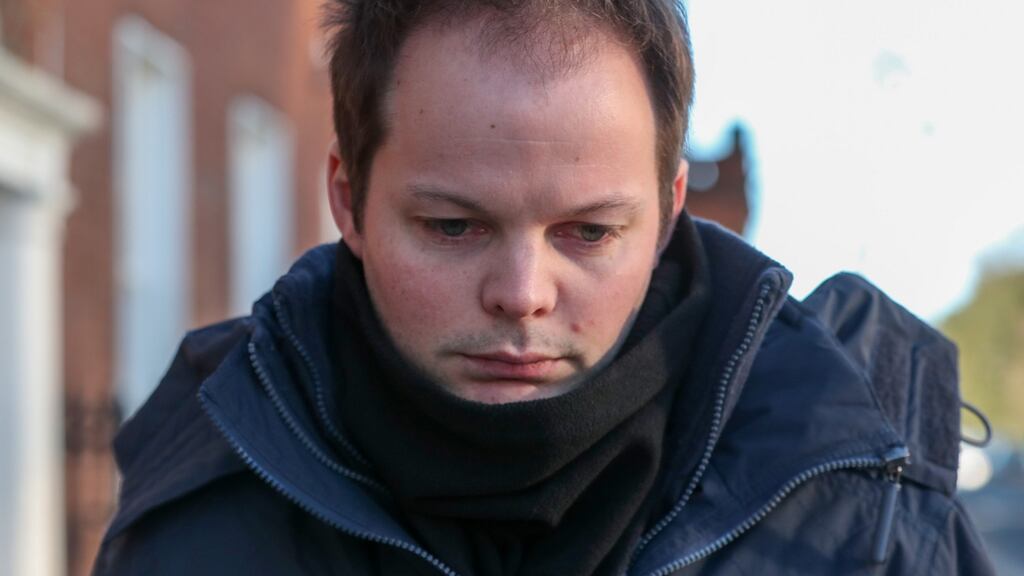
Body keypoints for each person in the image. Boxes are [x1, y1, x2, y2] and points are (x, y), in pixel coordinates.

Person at [93, 1, 995, 574]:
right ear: (349, 202)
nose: (522, 294)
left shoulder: (867, 516)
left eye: (589, 233)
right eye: (453, 227)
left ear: (672, 210)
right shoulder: (200, 518)